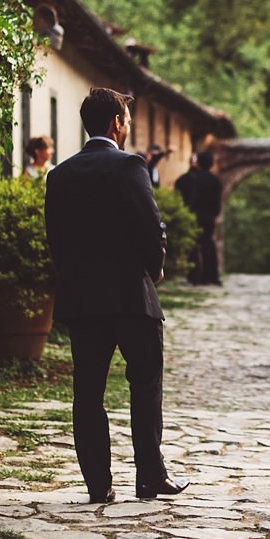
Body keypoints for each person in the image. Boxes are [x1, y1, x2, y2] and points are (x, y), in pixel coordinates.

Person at [46, 88, 187, 505]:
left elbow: (56, 239)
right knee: (145, 383)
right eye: (125, 119)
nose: (126, 127)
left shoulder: (60, 174)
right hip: (131, 296)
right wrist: (156, 265)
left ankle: (98, 484)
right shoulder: (130, 166)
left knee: (87, 392)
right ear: (116, 124)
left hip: (83, 300)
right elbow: (151, 225)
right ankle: (149, 477)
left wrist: (74, 278)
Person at [175, 150, 223, 285]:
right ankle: (210, 276)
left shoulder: (194, 179)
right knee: (208, 245)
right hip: (209, 217)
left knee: (194, 247)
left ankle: (194, 277)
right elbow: (218, 202)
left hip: (195, 216)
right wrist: (214, 214)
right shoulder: (215, 180)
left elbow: (192, 199)